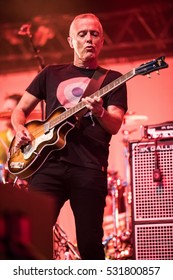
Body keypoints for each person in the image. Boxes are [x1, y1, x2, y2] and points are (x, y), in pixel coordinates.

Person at [10, 13, 128, 260]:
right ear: (70, 41)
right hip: (47, 166)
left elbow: (115, 124)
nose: (88, 39)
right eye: (82, 34)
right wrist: (20, 128)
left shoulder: (113, 79)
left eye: (94, 34)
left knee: (90, 245)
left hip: (89, 168)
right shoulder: (51, 73)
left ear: (102, 41)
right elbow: (20, 110)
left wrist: (100, 111)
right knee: (29, 240)